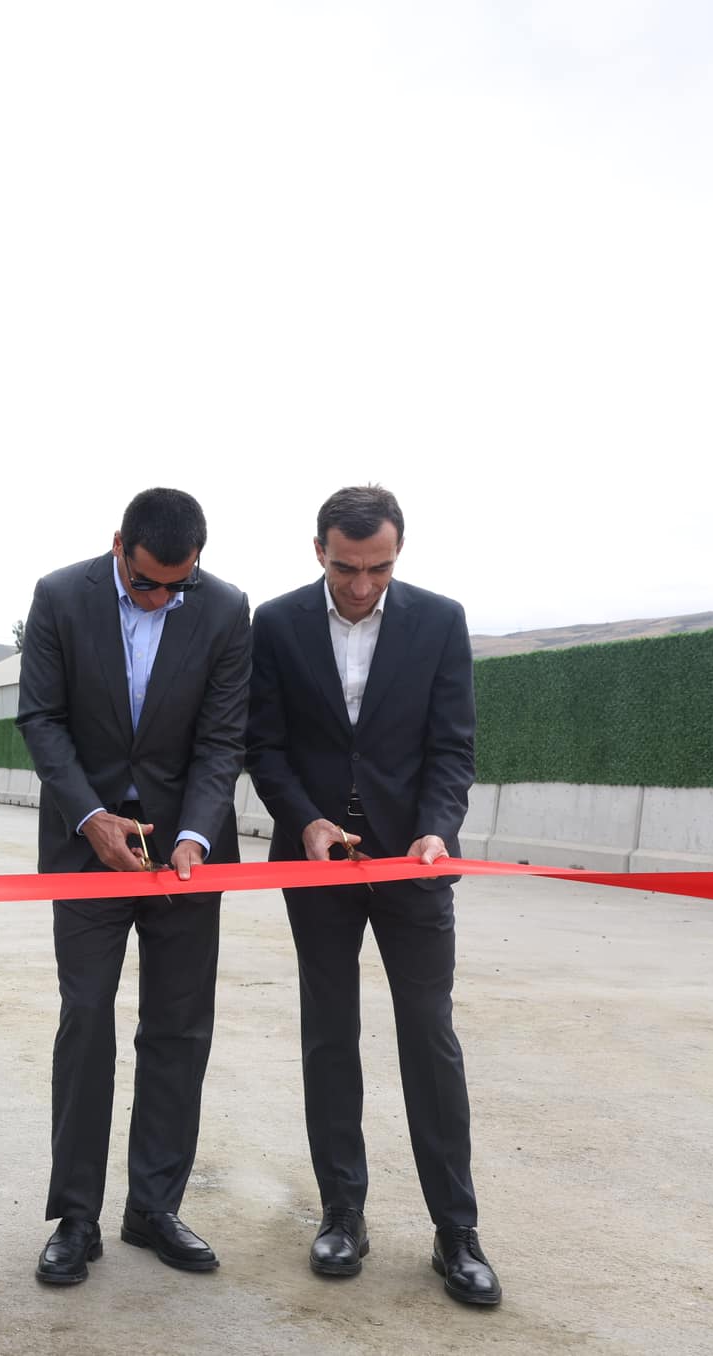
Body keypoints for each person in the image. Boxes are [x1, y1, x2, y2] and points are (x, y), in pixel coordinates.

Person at [244, 484, 499, 1307]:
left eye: (379, 568)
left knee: (429, 1035)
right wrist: (305, 820)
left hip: (413, 862)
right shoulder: (276, 624)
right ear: (318, 550)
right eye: (346, 568)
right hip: (317, 862)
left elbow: (452, 747)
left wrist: (437, 830)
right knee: (330, 1033)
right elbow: (264, 746)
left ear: (399, 552)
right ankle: (342, 1215)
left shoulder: (440, 621)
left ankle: (457, 1231)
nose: (362, 586)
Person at [15, 487, 250, 1286]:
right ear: (119, 545)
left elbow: (223, 737)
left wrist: (194, 836)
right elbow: (41, 719)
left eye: (178, 586)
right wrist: (90, 818)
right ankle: (76, 1218)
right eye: (146, 583)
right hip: (87, 846)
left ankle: (153, 1207)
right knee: (86, 1020)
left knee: (178, 1028)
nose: (160, 599)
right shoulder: (60, 597)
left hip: (186, 854)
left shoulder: (225, 608)